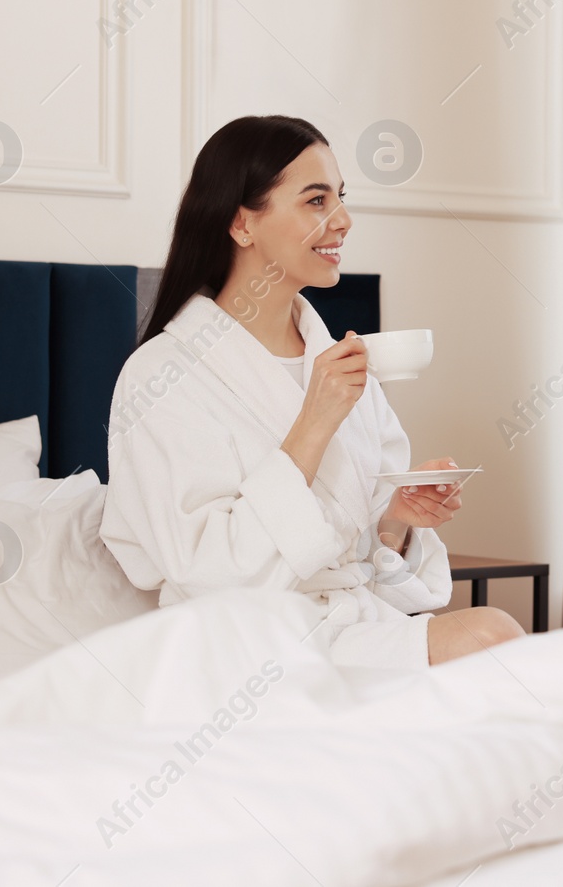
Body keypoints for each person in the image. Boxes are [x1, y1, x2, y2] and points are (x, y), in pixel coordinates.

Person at [100, 114, 525, 667]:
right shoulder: (160, 377)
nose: (344, 220)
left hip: (350, 629)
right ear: (242, 224)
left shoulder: (338, 362)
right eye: (316, 201)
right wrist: (314, 423)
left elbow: (366, 559)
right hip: (241, 647)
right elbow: (207, 574)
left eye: (340, 198)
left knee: (506, 645)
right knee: (494, 639)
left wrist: (397, 520)